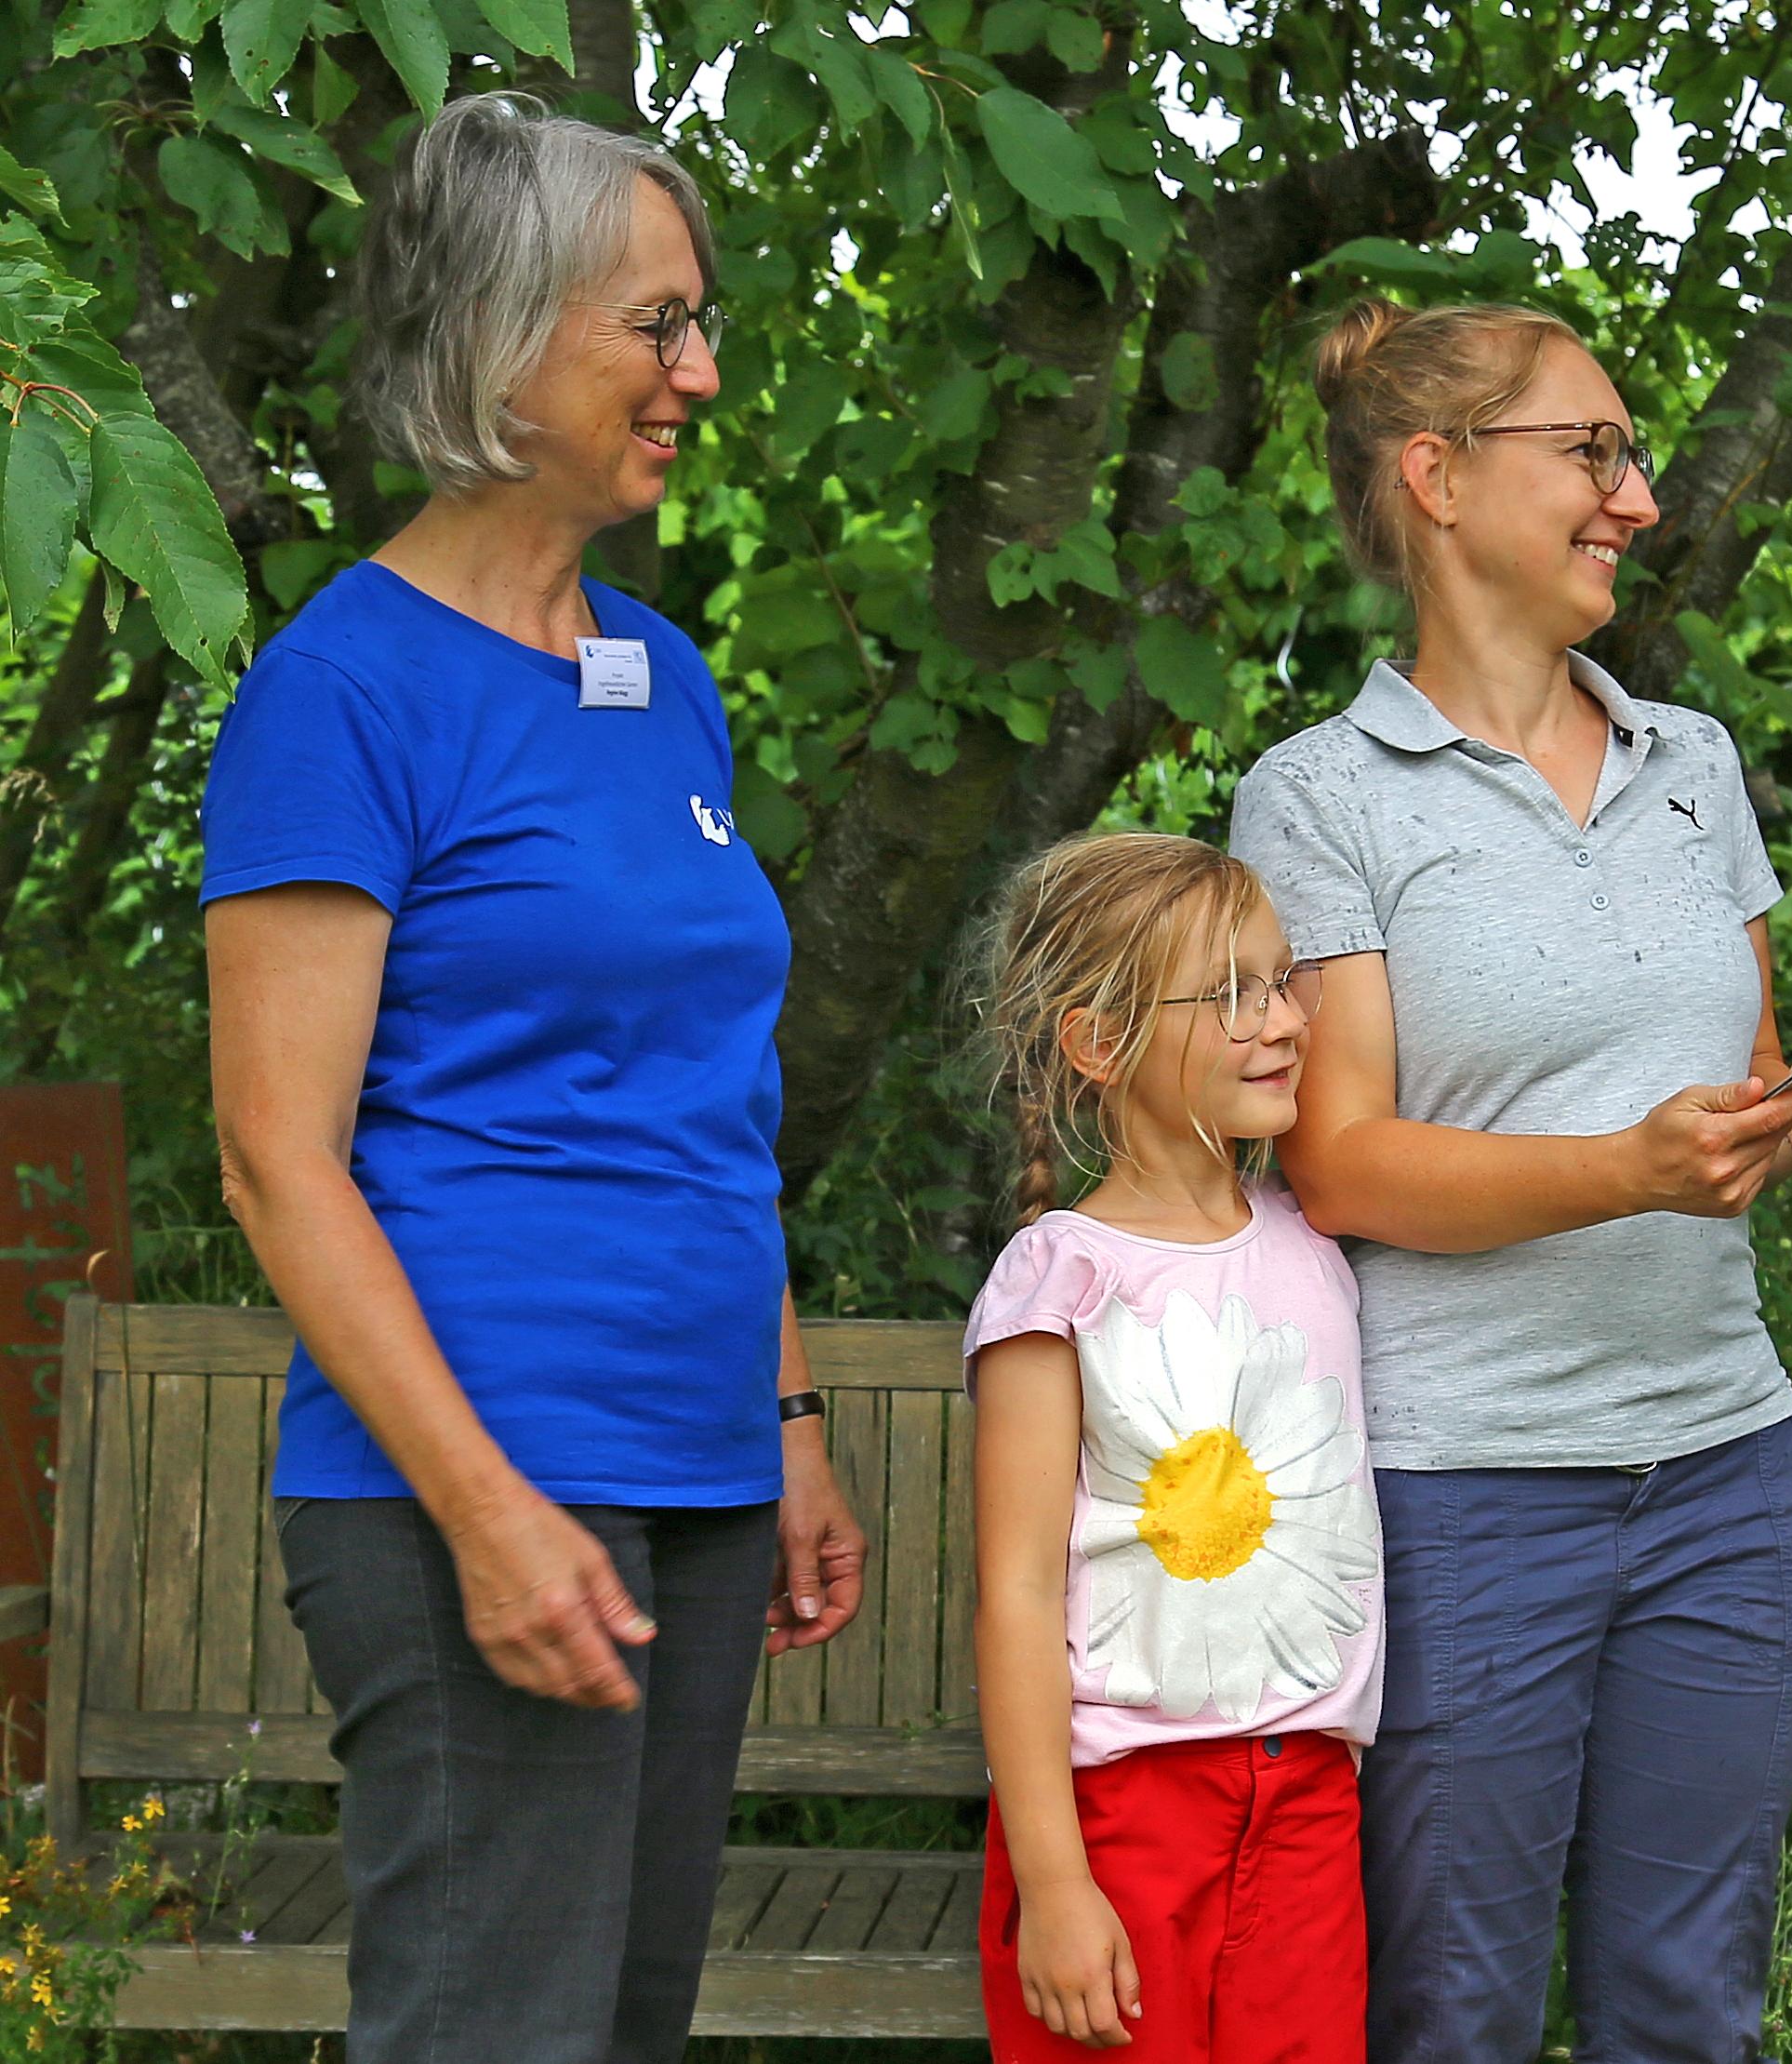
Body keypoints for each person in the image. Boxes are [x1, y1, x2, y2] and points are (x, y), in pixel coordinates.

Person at [202, 93, 864, 2062]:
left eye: (700, 321)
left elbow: (705, 1092)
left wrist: (794, 1410)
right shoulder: (342, 690)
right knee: (494, 2033)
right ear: (502, 338)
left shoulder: (662, 674)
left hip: (697, 1472)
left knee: (621, 2028)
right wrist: (485, 1511)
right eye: (655, 326)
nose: (702, 371)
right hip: (471, 1484)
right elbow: (273, 1159)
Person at [1227, 297, 1792, 2063]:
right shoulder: (1319, 797)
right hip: (1463, 1496)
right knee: (1452, 2016)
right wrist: (1626, 1166)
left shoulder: (1693, 766)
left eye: (1632, 456)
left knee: (1689, 2010)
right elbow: (1343, 1157)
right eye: (1593, 451)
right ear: (1438, 476)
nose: (1637, 495)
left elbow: (1736, 1087)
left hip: (1729, 1478)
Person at [963, 833, 1376, 2061]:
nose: (1286, 1021)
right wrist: (1054, 1881)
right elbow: (1018, 1593)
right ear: (1099, 1042)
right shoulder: (1062, 1278)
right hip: (1119, 1814)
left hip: (1307, 1803)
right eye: (1232, 994)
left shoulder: (1318, 1244)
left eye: (1286, 980)